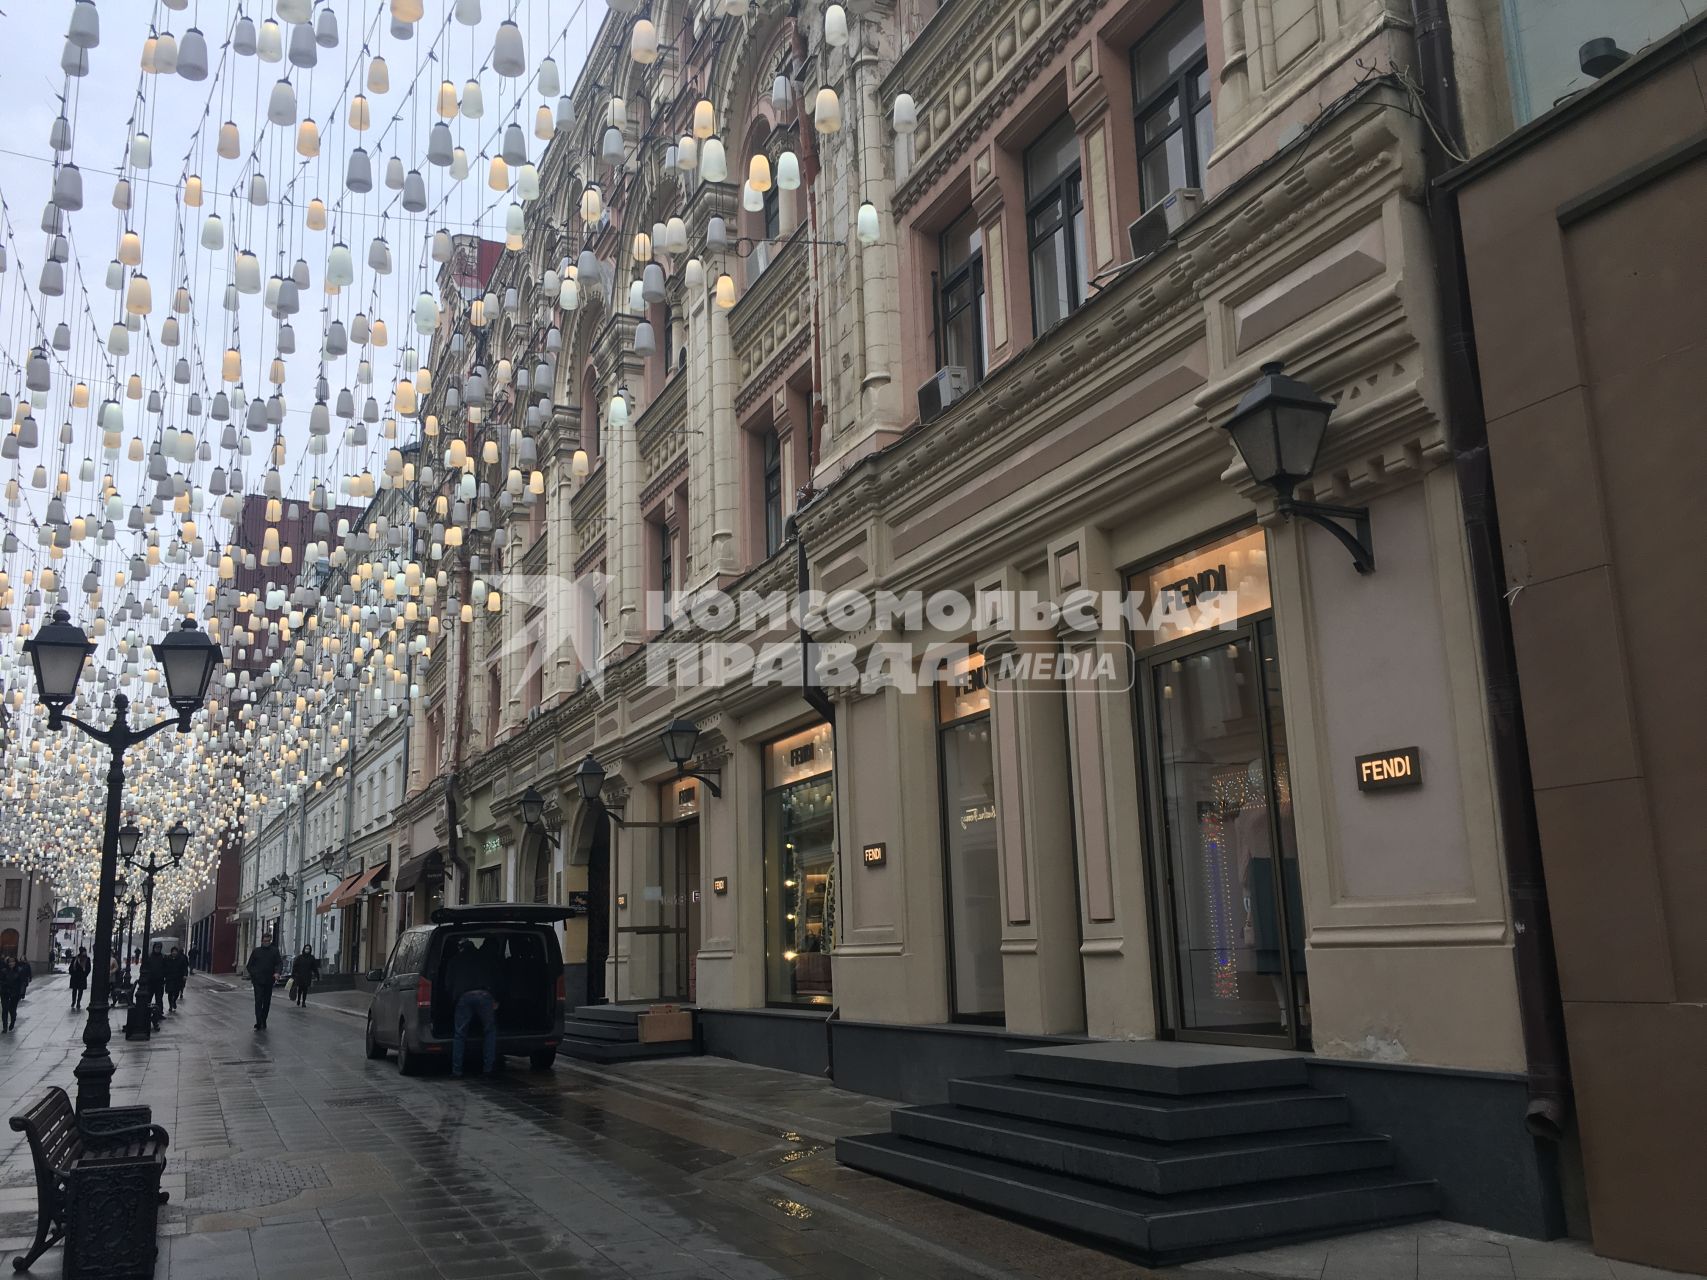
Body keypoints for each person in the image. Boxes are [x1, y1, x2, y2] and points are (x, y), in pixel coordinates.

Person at [445, 939, 500, 1077]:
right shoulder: (484, 958)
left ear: (461, 948)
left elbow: (448, 984)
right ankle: (488, 1068)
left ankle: (457, 1070)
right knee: (489, 1031)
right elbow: (495, 977)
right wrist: (495, 998)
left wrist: (452, 1000)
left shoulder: (455, 960)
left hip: (464, 996)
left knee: (460, 1034)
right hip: (484, 995)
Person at [245, 932, 281, 1030]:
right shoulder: (256, 951)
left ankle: (263, 1019)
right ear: (261, 941)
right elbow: (249, 966)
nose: (267, 943)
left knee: (266, 1002)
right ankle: (258, 1022)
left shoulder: (274, 951)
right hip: (258, 981)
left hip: (269, 980)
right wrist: (254, 974)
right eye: (265, 941)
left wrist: (277, 972)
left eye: (268, 941)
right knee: (258, 1001)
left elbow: (278, 963)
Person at [141, 944, 167, 1020]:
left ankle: (159, 1013)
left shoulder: (162, 957)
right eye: (156, 947)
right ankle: (146, 1012)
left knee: (159, 999)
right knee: (148, 997)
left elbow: (165, 968)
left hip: (159, 981)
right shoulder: (149, 957)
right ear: (154, 948)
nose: (157, 949)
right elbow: (144, 967)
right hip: (150, 981)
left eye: (159, 948)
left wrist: (164, 977)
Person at [164, 946, 189, 1012]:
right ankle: (170, 1006)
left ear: (177, 952)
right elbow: (164, 967)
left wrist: (185, 975)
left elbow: (185, 968)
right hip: (170, 978)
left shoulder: (181, 959)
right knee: (170, 992)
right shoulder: (168, 958)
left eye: (175, 951)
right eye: (173, 951)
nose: (174, 953)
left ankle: (174, 1001)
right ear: (171, 952)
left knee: (176, 992)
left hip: (178, 978)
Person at [0, 957, 22, 1032]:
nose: (11, 963)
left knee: (12, 1010)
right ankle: (5, 1027)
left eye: (12, 962)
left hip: (14, 994)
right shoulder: (4, 971)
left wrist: (20, 993)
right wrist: (4, 986)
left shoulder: (19, 971)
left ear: (15, 962)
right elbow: (1, 981)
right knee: (4, 1010)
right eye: (9, 962)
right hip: (5, 993)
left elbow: (21, 983)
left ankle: (13, 1021)